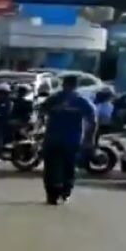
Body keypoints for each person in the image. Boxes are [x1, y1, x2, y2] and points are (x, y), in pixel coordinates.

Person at [40, 74, 97, 206]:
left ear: (63, 84)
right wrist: (90, 139)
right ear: (76, 86)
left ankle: (51, 195)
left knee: (50, 168)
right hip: (72, 140)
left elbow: (41, 113)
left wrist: (41, 127)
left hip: (52, 139)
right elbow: (92, 121)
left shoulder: (53, 99)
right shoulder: (82, 101)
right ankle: (65, 193)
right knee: (69, 167)